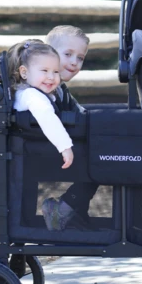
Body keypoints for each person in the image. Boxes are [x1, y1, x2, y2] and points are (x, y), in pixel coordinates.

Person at [40, 26, 98, 231]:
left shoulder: (60, 89)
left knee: (103, 155)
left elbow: (81, 114)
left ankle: (74, 213)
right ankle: (66, 209)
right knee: (102, 160)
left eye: (80, 58)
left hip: (64, 149)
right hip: (49, 153)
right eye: (68, 54)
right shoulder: (41, 90)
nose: (74, 62)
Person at [7, 40, 74, 170]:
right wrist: (65, 146)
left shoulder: (33, 93)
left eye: (56, 71)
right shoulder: (31, 95)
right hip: (28, 158)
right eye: (44, 70)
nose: (51, 77)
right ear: (24, 72)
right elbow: (47, 117)